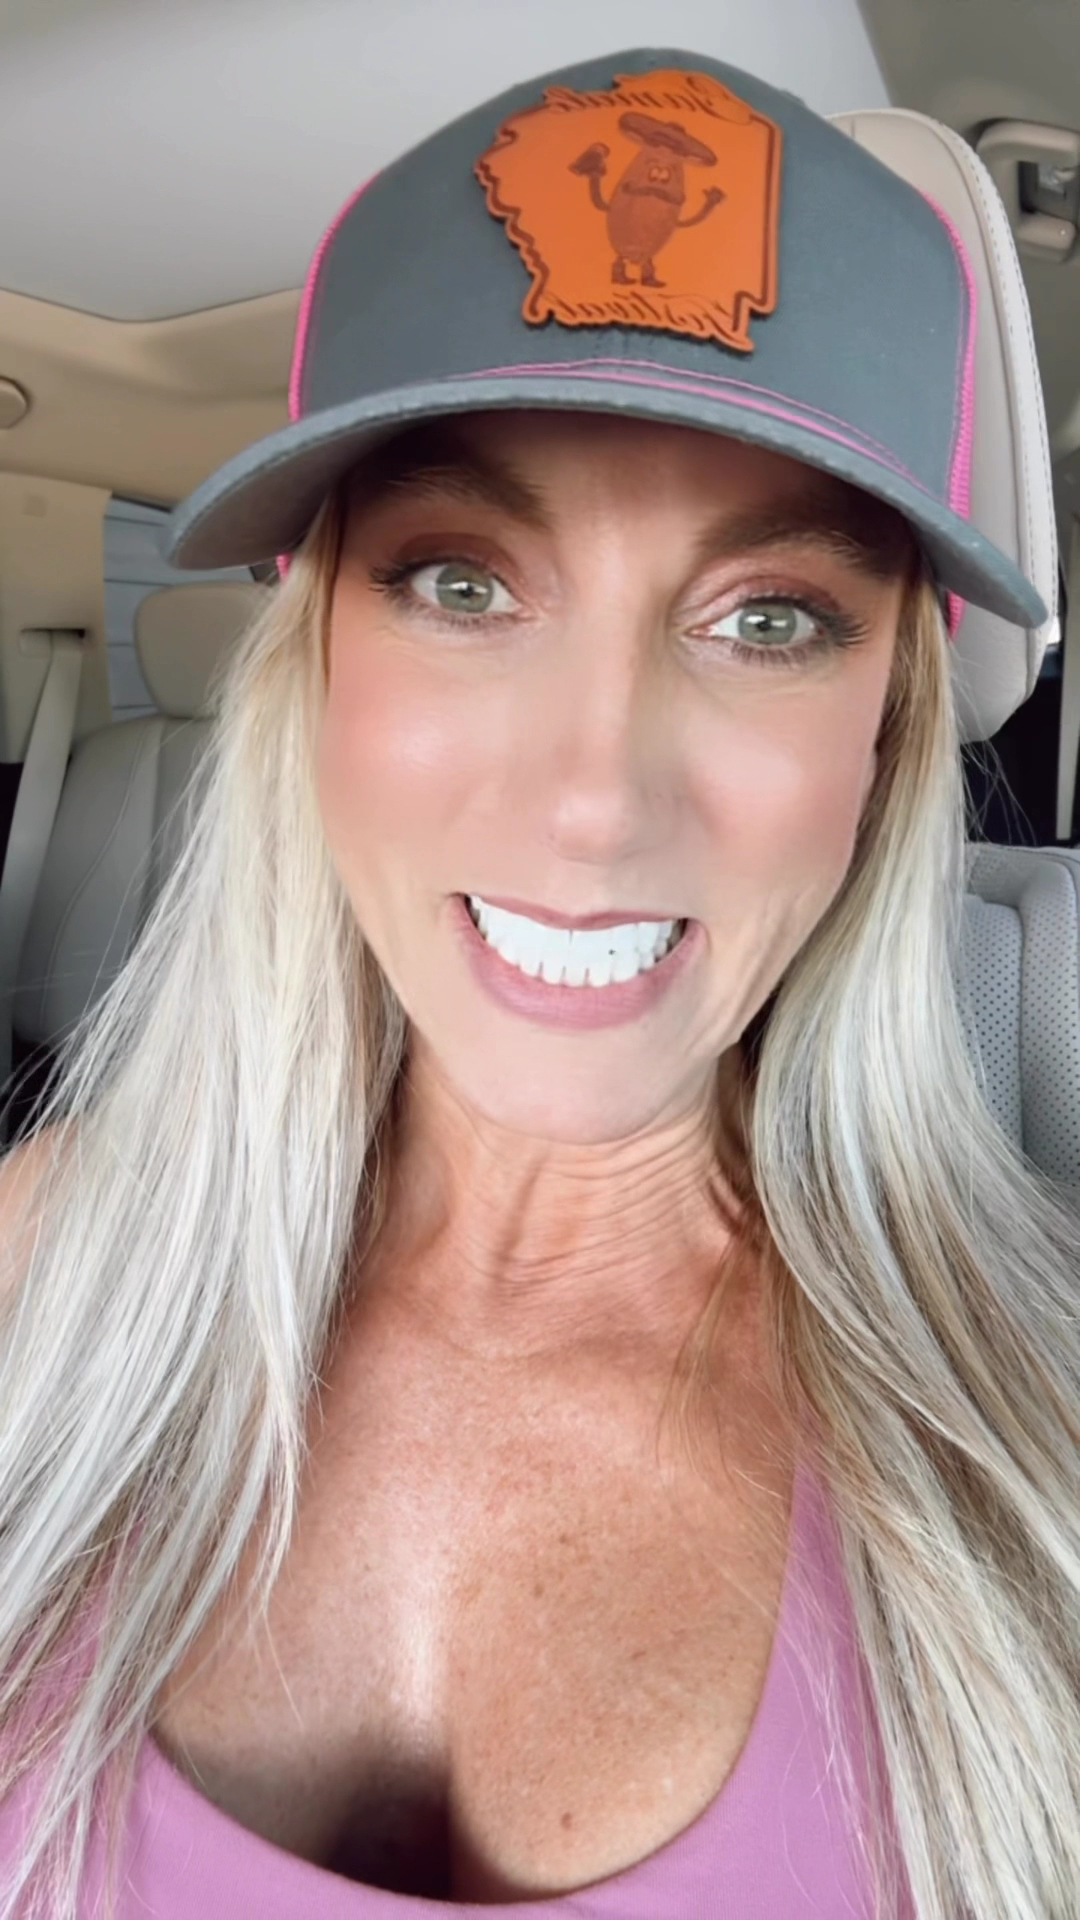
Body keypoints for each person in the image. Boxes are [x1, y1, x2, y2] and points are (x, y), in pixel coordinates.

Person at [0, 45, 1077, 1920]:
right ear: (313, 665)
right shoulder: (38, 1267)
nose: (593, 801)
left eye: (770, 619)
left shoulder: (1044, 1454)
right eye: (460, 585)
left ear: (887, 734)